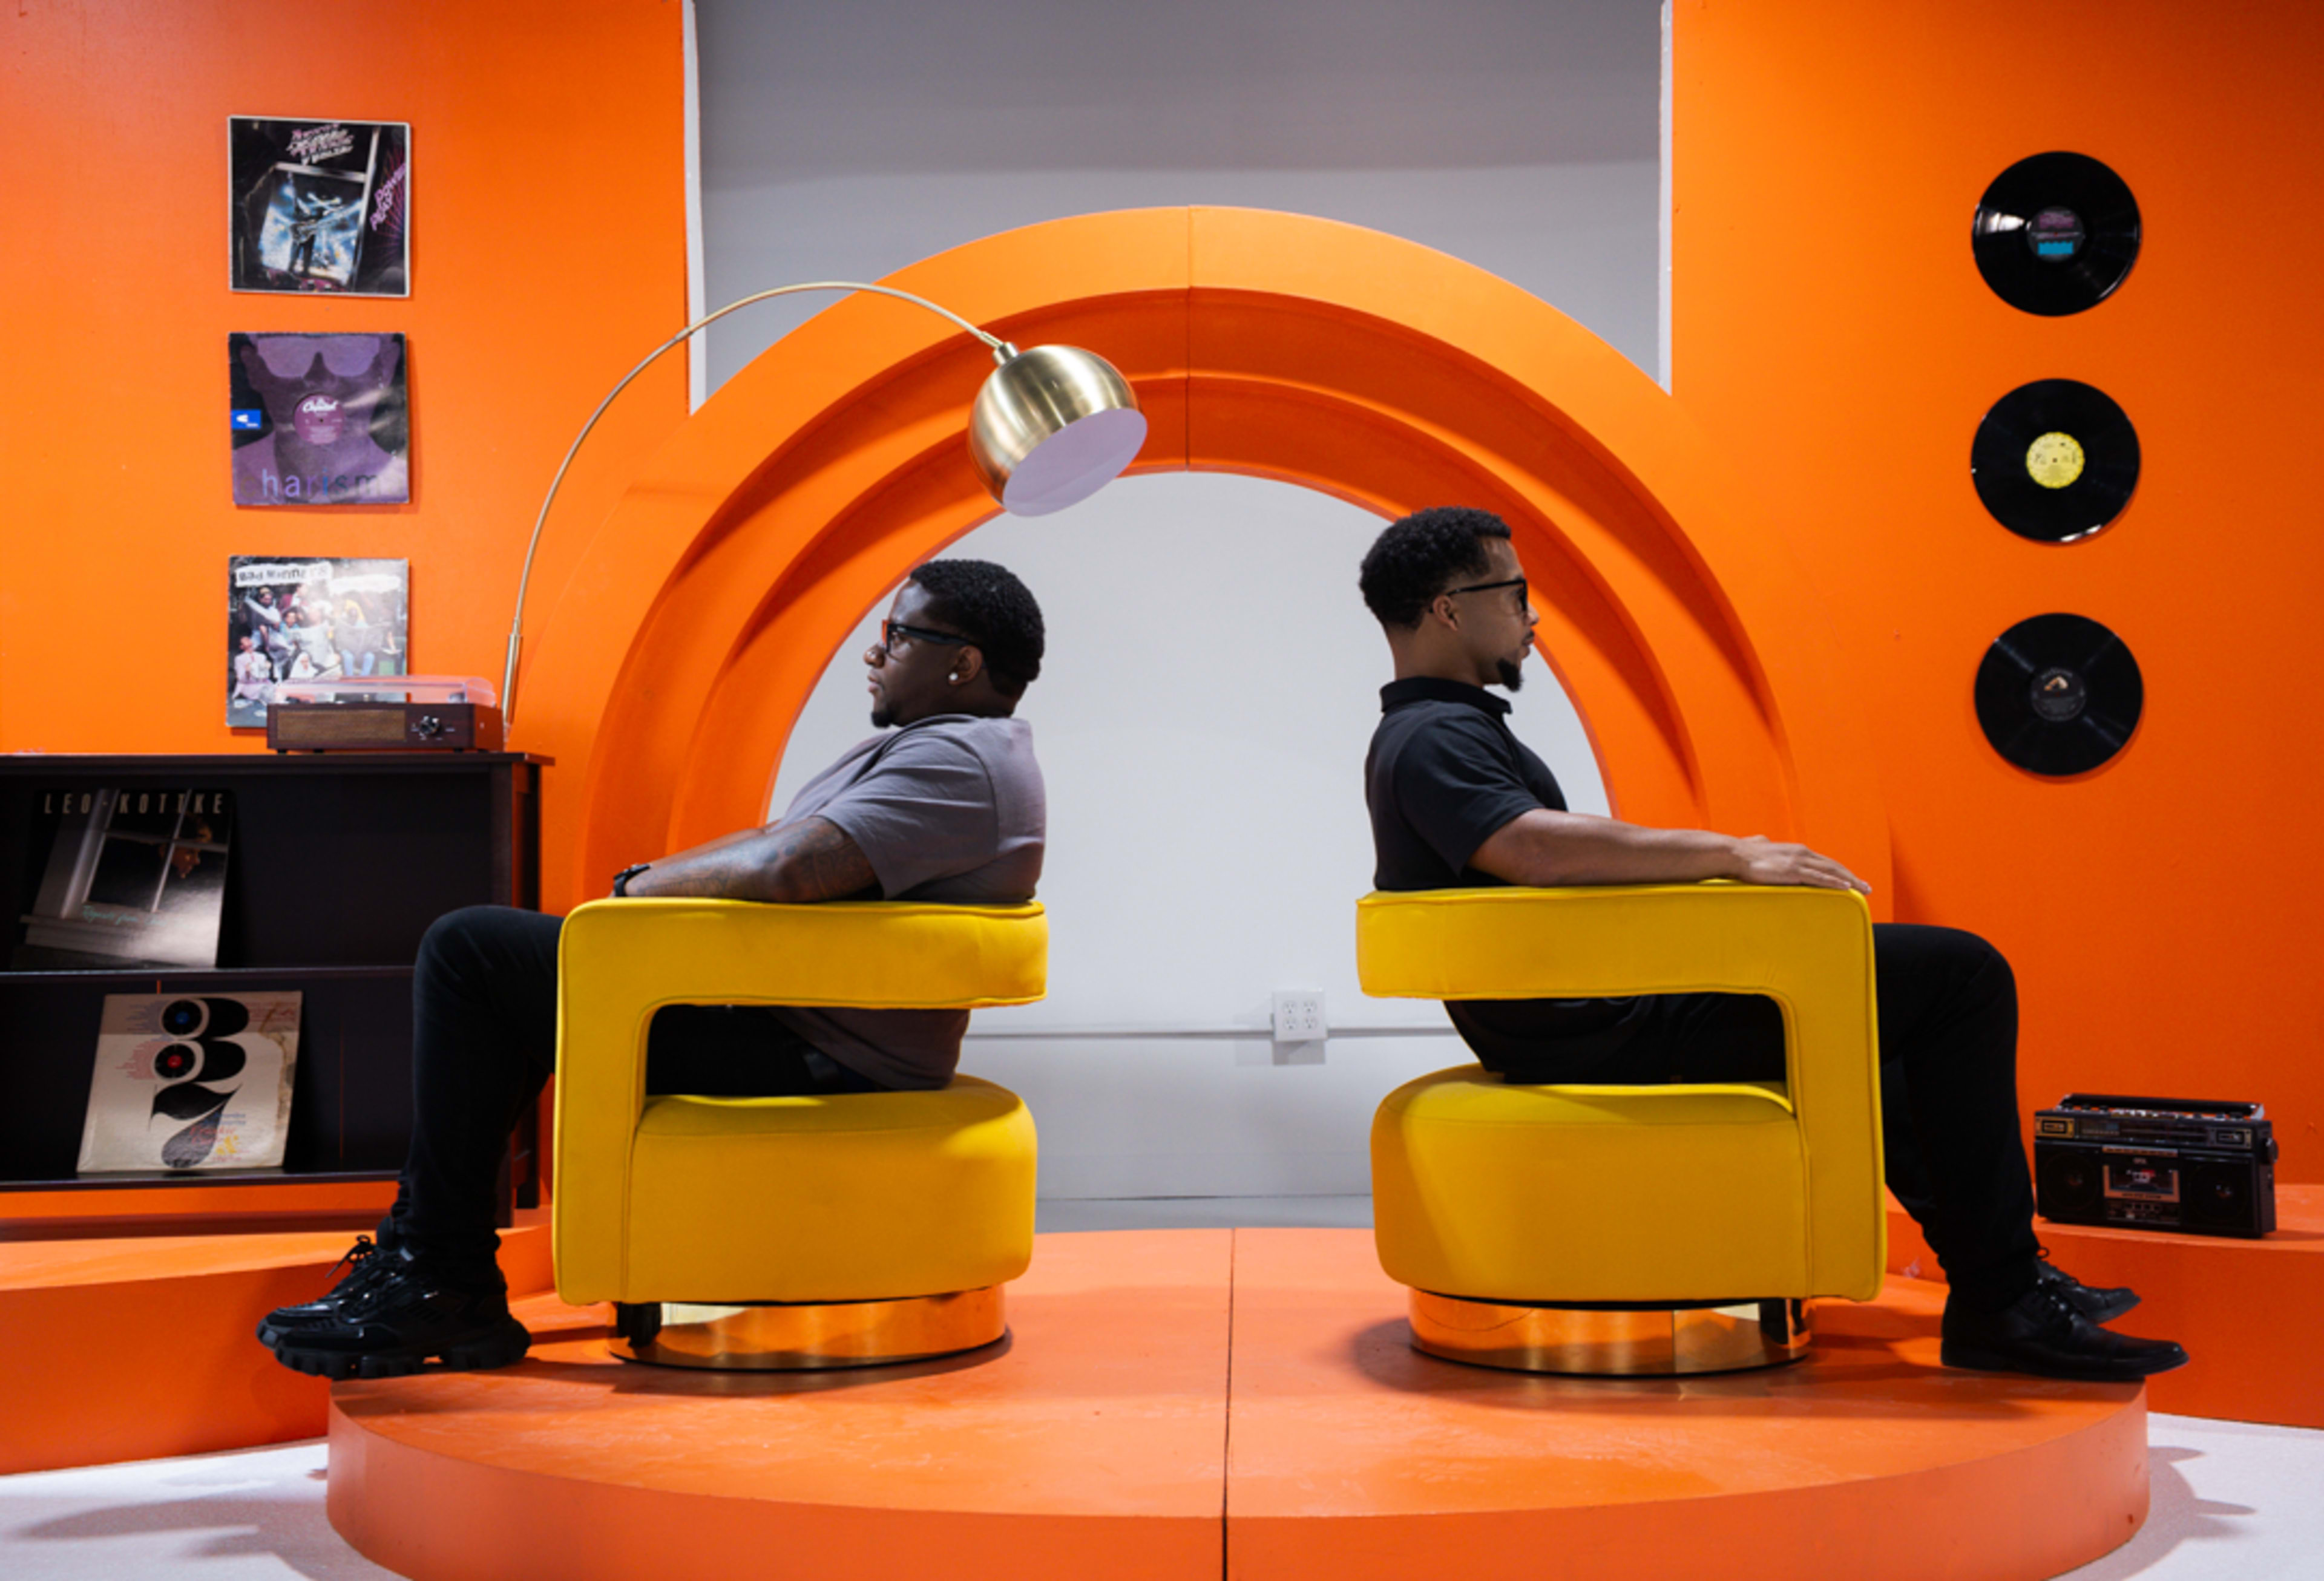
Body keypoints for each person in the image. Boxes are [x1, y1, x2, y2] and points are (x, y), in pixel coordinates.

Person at [1356, 506, 2187, 1383]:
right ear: (1450, 609)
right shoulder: (1434, 737)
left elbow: (1540, 849)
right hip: (1591, 1030)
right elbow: (1532, 847)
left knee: (1879, 1019)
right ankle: (2005, 1298)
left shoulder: (1445, 729)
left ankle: (2004, 1283)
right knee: (1963, 974)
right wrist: (1739, 854)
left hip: (1588, 1017)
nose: (1534, 617)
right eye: (1516, 592)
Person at [257, 558, 1049, 1379]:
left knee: (471, 951)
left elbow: (788, 866)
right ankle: (436, 1266)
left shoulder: (959, 763)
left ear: (963, 663)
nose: (872, 654)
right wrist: (640, 888)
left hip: (820, 1050)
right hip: (803, 1023)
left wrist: (635, 890)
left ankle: (436, 1268)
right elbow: (777, 841)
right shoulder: (948, 751)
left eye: (897, 635)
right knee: (520, 977)